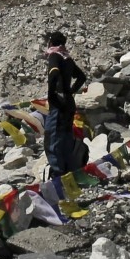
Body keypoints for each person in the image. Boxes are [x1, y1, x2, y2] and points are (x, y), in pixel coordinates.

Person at [41, 30, 89, 179]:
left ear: (50, 43)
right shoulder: (67, 58)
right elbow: (81, 77)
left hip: (58, 101)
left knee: (53, 136)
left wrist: (51, 94)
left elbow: (54, 74)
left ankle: (57, 174)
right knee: (66, 136)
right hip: (69, 101)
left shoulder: (54, 56)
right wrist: (71, 91)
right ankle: (69, 172)